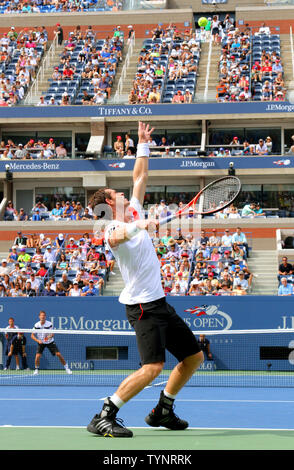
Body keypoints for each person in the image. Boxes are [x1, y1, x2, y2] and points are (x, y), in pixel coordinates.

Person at [86, 122, 203, 438]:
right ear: (109, 204)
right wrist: (142, 226)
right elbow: (117, 237)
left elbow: (139, 176)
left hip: (159, 303)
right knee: (152, 367)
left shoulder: (134, 211)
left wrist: (142, 144)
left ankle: (164, 408)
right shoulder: (111, 227)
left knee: (194, 357)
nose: (123, 193)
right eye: (116, 193)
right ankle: (104, 415)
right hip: (141, 307)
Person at [31, 310, 72, 376]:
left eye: (44, 315)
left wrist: (48, 337)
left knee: (58, 354)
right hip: (41, 342)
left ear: (45, 316)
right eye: (41, 315)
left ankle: (67, 368)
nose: (43, 317)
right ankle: (36, 369)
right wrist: (38, 341)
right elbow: (32, 335)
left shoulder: (49, 324)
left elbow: (52, 334)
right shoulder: (36, 325)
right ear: (39, 316)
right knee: (37, 356)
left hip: (50, 342)